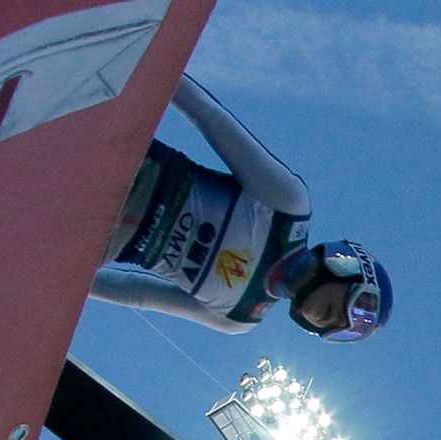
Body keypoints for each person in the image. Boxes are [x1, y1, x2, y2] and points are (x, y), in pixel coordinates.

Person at [91, 74, 392, 342]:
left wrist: (64, 279)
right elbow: (210, 119)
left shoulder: (239, 317)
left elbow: (137, 294)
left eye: (349, 333)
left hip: (95, 241)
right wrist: (149, 62)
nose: (341, 322)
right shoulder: (287, 207)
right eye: (361, 308)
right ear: (349, 266)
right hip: (131, 168)